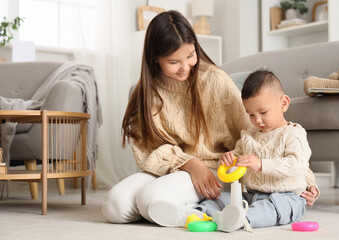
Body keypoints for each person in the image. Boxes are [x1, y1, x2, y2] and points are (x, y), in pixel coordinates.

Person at [102, 10, 318, 230]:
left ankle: (185, 210)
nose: (185, 67)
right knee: (114, 206)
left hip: (213, 169)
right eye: (174, 61)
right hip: (170, 168)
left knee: (150, 199)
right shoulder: (146, 92)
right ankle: (170, 206)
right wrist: (188, 163)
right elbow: (146, 150)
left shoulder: (215, 80)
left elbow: (260, 135)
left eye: (190, 55)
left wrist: (306, 181)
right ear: (155, 59)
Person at [195, 70, 320, 231]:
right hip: (252, 195)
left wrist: (261, 164)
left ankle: (241, 218)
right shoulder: (249, 136)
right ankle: (199, 213)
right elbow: (237, 155)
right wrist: (229, 158)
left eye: (263, 112)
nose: (257, 120)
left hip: (287, 196)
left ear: (283, 103)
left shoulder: (294, 133)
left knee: (275, 207)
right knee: (223, 197)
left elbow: (297, 165)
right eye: (251, 114)